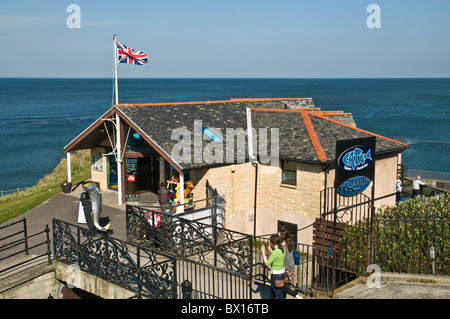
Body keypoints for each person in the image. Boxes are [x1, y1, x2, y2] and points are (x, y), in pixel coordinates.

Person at [261, 234, 286, 299]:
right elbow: (277, 257)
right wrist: (271, 251)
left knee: (279, 295)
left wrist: (263, 252)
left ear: (272, 243)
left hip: (276, 276)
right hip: (282, 274)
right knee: (272, 292)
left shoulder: (275, 252)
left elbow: (267, 263)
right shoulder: (282, 249)